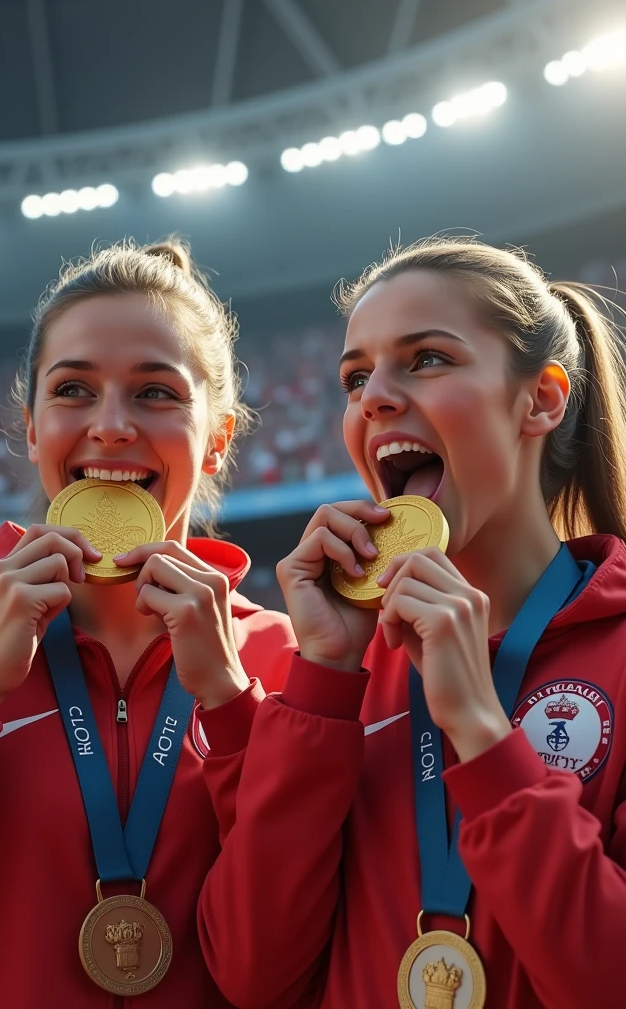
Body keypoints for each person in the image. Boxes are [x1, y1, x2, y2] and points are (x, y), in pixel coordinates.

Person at [197, 237, 626, 1009]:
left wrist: (482, 734)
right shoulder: (337, 673)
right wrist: (324, 677)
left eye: (426, 359)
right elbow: (253, 976)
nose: (374, 398)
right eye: (355, 377)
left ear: (542, 399)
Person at [0, 239, 295, 1008]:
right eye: (73, 389)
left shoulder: (284, 656)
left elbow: (281, 966)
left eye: (156, 393)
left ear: (219, 439)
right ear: (31, 426)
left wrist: (234, 712)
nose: (110, 425)